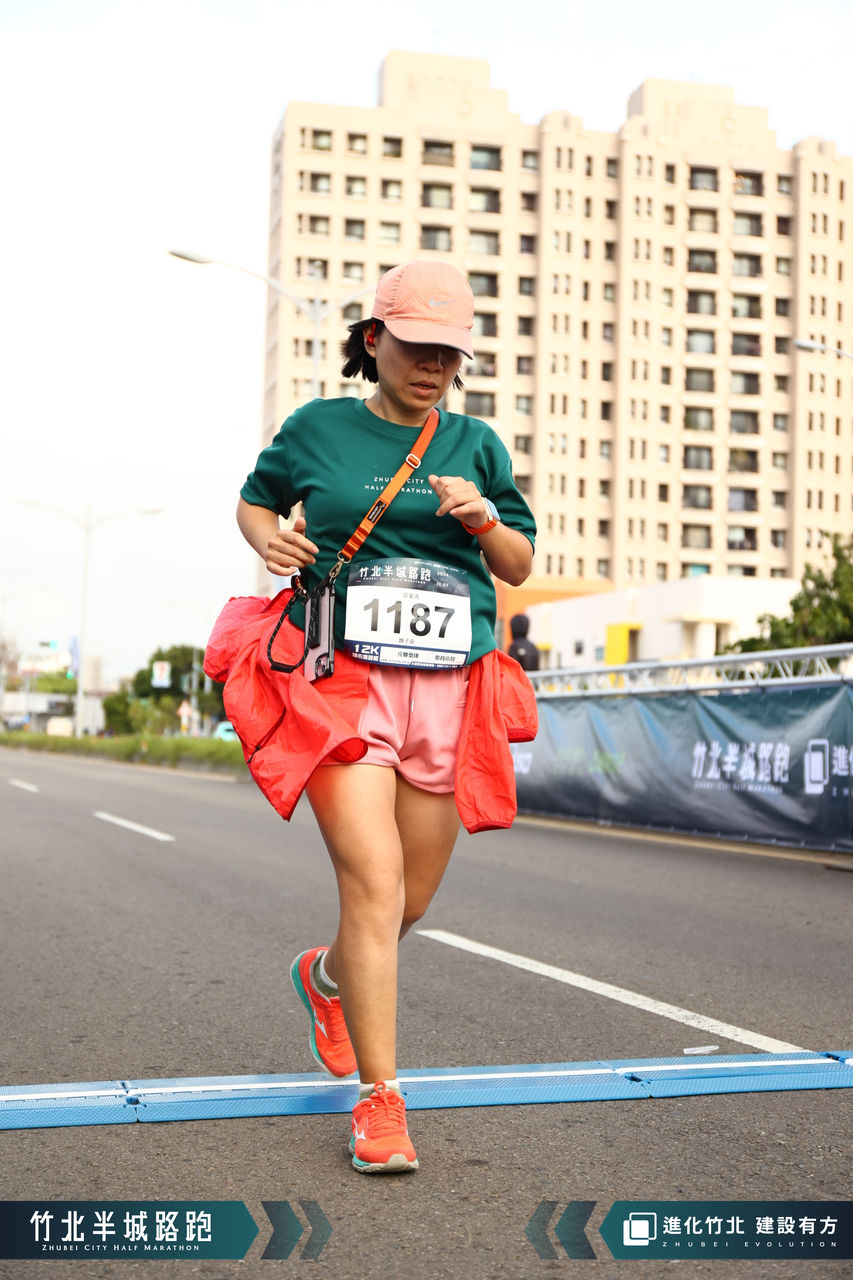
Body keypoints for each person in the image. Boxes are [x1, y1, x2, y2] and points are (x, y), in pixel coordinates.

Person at [234, 260, 536, 1174]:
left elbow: (517, 563)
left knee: (412, 898)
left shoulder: (475, 444)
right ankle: (380, 1100)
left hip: (450, 687)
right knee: (373, 882)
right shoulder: (317, 428)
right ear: (375, 340)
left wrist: (481, 520)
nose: (434, 366)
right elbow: (255, 501)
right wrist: (271, 539)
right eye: (417, 348)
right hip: (341, 681)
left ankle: (326, 977)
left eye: (450, 353)